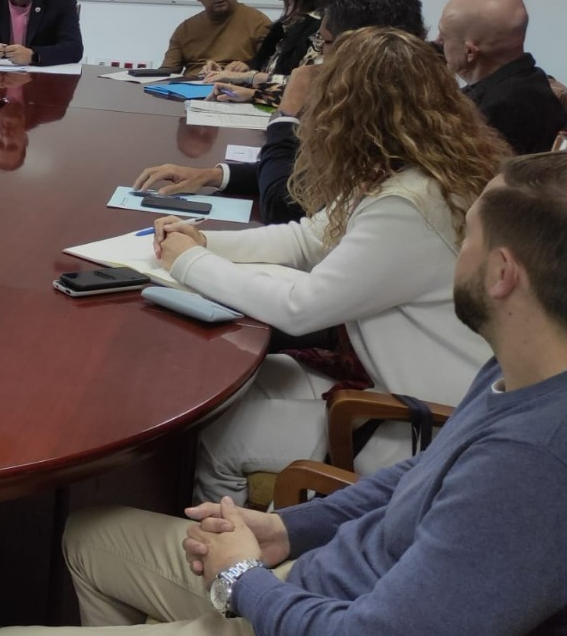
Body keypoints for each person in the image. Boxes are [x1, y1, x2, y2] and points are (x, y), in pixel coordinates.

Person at [0, 152, 567, 636]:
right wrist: (290, 528)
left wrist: (244, 580)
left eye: (467, 235)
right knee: (88, 535)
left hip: (310, 614)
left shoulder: (533, 464)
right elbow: (418, 477)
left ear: (502, 274)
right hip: (309, 579)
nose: (453, 251)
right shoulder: (517, 364)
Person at [152, 28, 506, 505]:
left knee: (220, 437)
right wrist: (203, 242)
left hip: (425, 426)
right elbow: (307, 237)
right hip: (408, 389)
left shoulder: (410, 203)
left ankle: (229, 558)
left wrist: (191, 263)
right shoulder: (417, 172)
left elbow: (303, 307)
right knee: (248, 378)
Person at [134, 0, 425, 224]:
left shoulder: (387, 123)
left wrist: (285, 118)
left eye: (324, 42)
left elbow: (284, 205)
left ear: (361, 47)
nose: (321, 54)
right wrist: (214, 175)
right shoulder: (394, 97)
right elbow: (305, 175)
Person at [434, 0, 567, 154]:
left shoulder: (495, 113)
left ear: (470, 52)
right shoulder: (533, 79)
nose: (437, 41)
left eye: (444, 36)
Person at [202, 0, 341, 102]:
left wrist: (248, 79)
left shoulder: (326, 28)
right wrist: (242, 72)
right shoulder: (291, 25)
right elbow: (274, 71)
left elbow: (306, 87)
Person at [161, 0, 272, 77]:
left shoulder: (258, 23)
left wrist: (249, 70)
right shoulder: (185, 29)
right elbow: (166, 73)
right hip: (191, 88)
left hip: (236, 90)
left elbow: (273, 73)